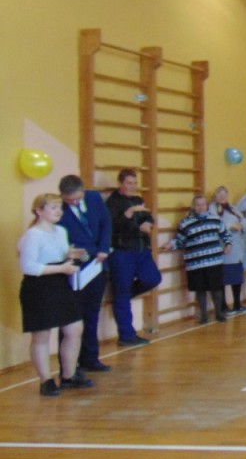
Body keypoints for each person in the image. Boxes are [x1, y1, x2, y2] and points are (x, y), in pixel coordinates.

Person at [19, 193, 94, 396]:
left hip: (60, 284)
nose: (58, 211)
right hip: (38, 287)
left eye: (59, 207)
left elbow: (58, 255)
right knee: (42, 335)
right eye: (53, 207)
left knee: (74, 328)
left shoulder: (61, 231)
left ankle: (69, 376)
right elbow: (28, 266)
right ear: (39, 211)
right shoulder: (33, 235)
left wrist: (71, 255)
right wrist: (62, 268)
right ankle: (46, 380)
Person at [57, 174, 113, 372]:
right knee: (71, 317)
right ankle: (69, 366)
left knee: (92, 313)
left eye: (77, 198)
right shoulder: (58, 208)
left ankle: (90, 358)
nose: (73, 202)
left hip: (96, 265)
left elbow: (106, 223)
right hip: (73, 268)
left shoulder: (94, 198)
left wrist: (103, 248)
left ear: (83, 191)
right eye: (68, 200)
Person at [105, 168, 162, 346]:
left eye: (135, 183)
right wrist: (128, 215)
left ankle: (123, 296)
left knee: (153, 278)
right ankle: (127, 335)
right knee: (121, 292)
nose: (133, 186)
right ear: (120, 183)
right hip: (122, 252)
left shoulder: (137, 200)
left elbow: (148, 216)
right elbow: (111, 227)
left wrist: (148, 223)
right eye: (129, 183)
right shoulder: (112, 202)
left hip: (141, 250)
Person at [160, 195, 231, 324]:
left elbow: (226, 234)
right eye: (198, 205)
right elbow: (180, 240)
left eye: (203, 204)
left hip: (214, 260)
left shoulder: (215, 219)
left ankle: (219, 313)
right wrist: (170, 244)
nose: (200, 207)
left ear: (207, 206)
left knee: (216, 288)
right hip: (195, 263)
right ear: (193, 207)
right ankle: (203, 315)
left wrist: (228, 244)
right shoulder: (185, 223)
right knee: (200, 290)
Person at [212, 186, 246, 314]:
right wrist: (230, 226)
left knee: (237, 277)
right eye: (219, 194)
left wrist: (240, 225)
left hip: (237, 247)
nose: (222, 197)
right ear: (215, 196)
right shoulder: (213, 208)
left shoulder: (233, 208)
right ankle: (223, 306)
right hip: (224, 247)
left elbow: (243, 220)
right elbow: (214, 224)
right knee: (223, 277)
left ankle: (237, 304)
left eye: (224, 194)